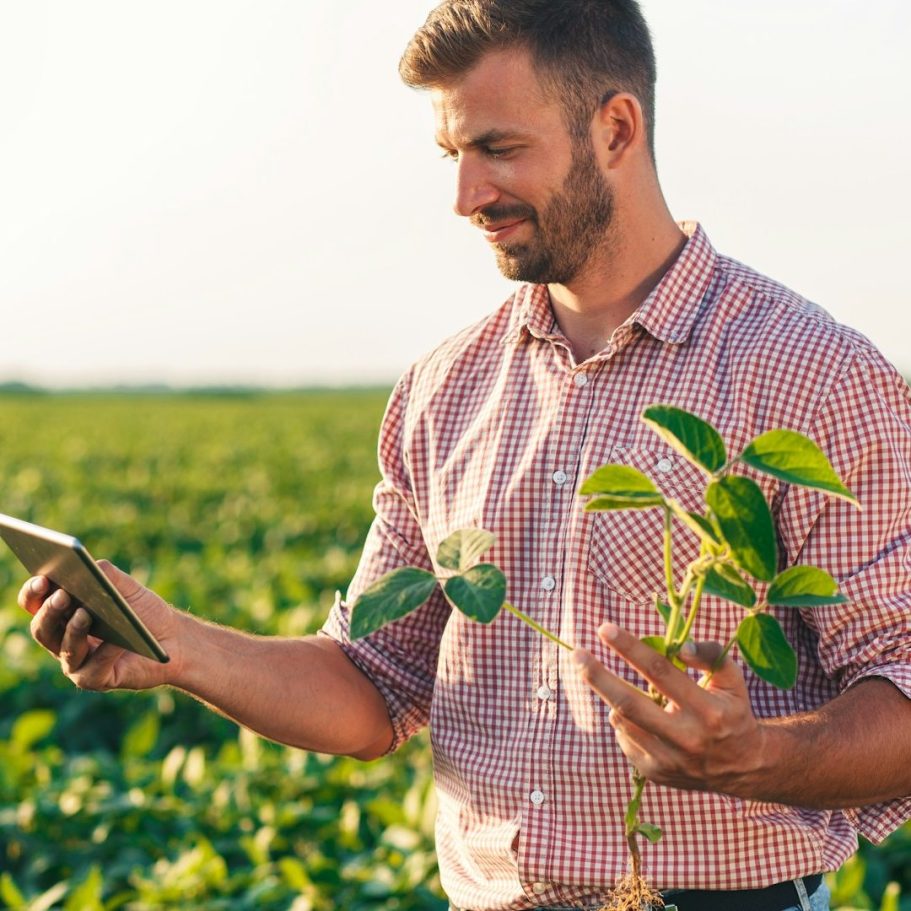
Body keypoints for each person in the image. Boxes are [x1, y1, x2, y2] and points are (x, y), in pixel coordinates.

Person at [19, 2, 911, 910]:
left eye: (498, 148)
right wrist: (174, 646)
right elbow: (371, 686)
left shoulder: (815, 374)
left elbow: (903, 691)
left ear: (614, 128)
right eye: (453, 156)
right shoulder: (444, 388)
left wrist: (755, 755)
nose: (466, 195)